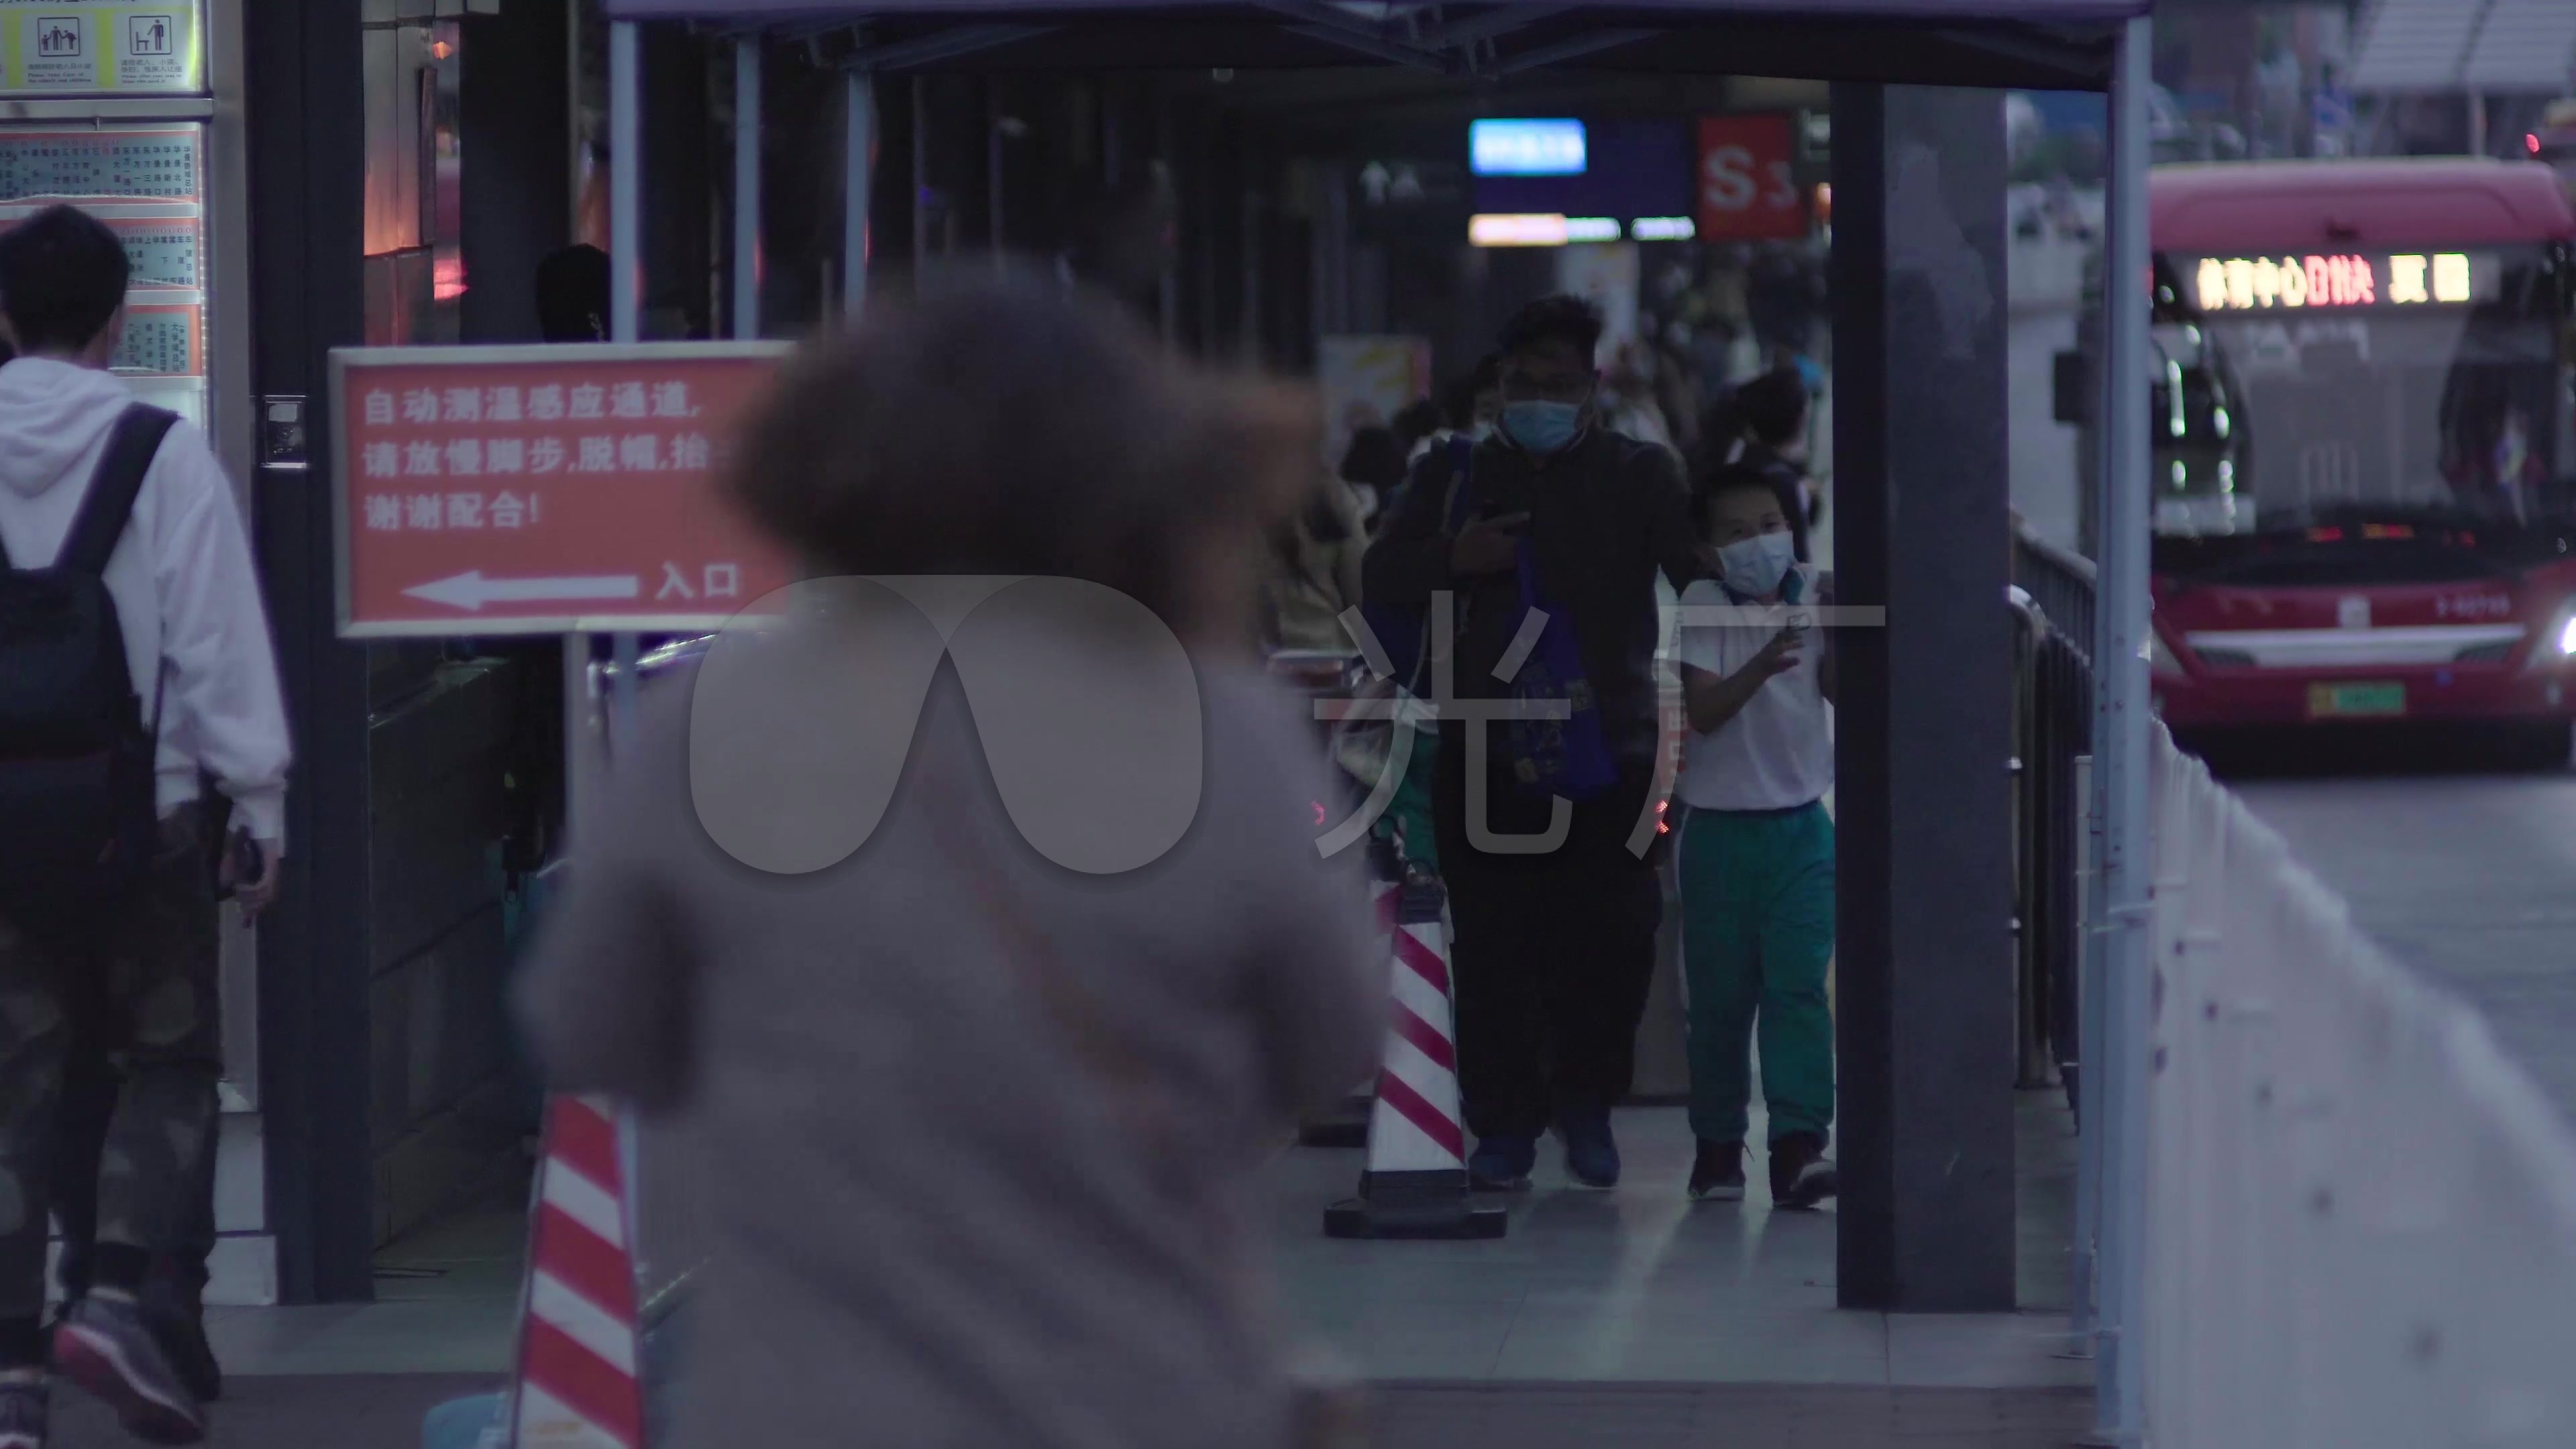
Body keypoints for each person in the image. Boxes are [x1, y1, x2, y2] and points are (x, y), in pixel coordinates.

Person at [515, 271, 1383, 1449]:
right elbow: (1331, 1039)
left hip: (807, 1408)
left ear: (827, 466)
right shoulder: (1216, 724)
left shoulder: (719, 716)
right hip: (1144, 1396)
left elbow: (591, 1027)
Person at [0, 204, 290, 1446]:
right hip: (147, 827)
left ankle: (11, 1379)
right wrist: (260, 802)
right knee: (167, 1065)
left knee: (14, 1084)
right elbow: (217, 641)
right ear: (120, 320)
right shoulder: (160, 455)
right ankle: (116, 1295)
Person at [1362, 294, 1699, 1191]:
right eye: (1523, 383)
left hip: (1613, 747)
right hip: (1483, 747)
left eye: (1558, 384)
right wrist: (1451, 558)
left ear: (1591, 387)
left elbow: (1697, 580)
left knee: (1616, 938)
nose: (1539, 399)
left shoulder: (1641, 475)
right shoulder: (1452, 477)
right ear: (1498, 386)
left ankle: (1588, 1105)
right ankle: (1504, 1124)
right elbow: (1379, 574)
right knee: (1495, 947)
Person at [1672, 466, 1839, 1210]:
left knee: (1798, 989)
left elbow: (1835, 688)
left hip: (1803, 828)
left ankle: (1799, 1147)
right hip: (1717, 835)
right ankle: (1716, 1147)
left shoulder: (1814, 593)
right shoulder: (1703, 604)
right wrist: (1765, 663)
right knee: (1719, 1000)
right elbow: (1703, 710)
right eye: (1737, 533)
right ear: (1708, 553)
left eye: (1769, 524)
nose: (1759, 543)